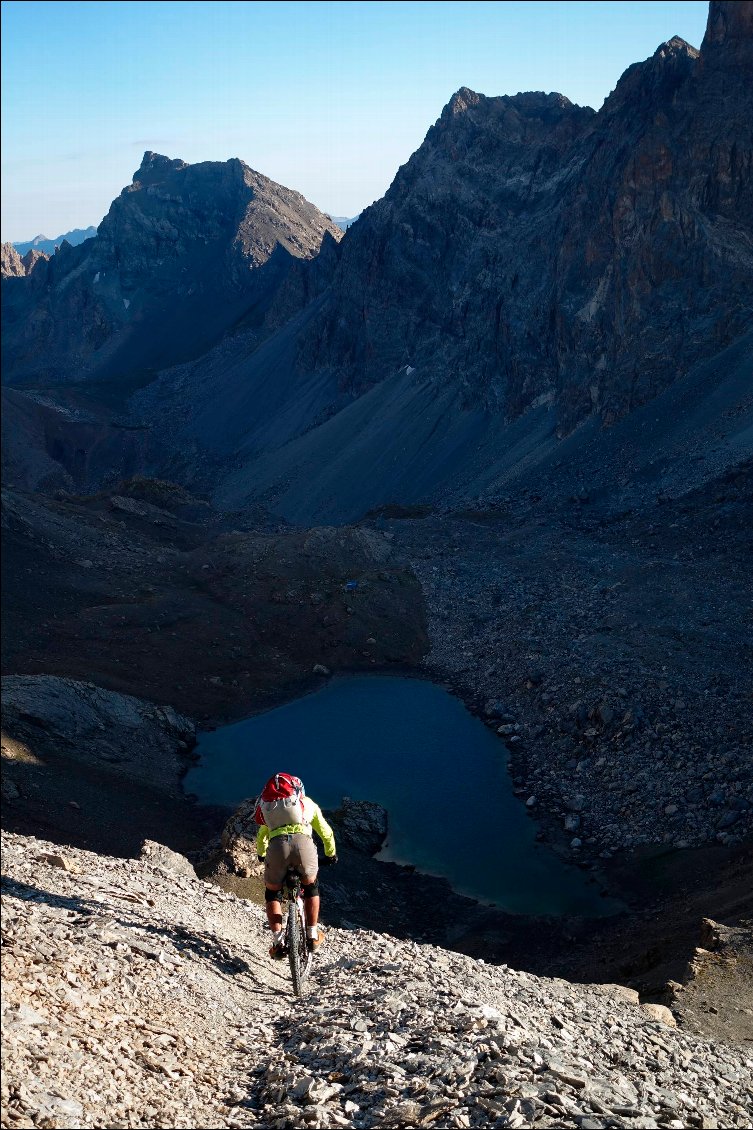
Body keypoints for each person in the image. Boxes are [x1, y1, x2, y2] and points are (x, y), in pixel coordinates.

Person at [254, 772, 337, 959]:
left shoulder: (273, 808)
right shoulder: (308, 804)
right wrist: (331, 854)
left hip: (276, 848)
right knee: (311, 887)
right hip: (304, 846)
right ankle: (312, 935)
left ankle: (278, 942)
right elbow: (326, 832)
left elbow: (261, 836)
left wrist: (261, 854)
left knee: (272, 893)